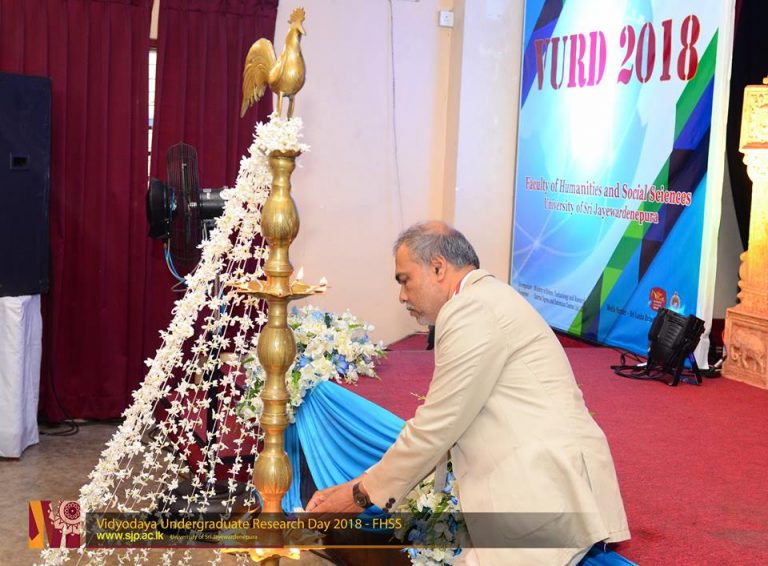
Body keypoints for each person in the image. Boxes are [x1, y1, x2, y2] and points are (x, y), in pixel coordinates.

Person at [307, 221, 630, 565]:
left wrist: (358, 495)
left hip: (542, 488)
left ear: (438, 267)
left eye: (405, 279)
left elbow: (437, 424)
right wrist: (363, 485)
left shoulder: (471, 308)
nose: (402, 295)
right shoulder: (484, 298)